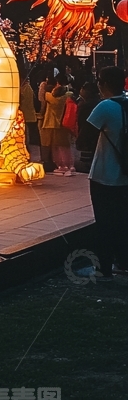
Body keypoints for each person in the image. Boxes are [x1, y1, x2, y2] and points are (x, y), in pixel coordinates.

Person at [77, 66, 128, 282]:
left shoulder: (106, 106)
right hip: (125, 177)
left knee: (105, 223)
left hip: (105, 175)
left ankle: (103, 268)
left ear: (105, 84)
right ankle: (123, 263)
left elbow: (82, 140)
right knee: (123, 220)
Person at [43, 78, 75, 175]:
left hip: (53, 124)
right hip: (64, 124)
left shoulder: (49, 97)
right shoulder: (67, 98)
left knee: (56, 147)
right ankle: (70, 166)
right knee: (66, 146)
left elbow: (45, 95)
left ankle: (61, 166)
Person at [76, 82, 100, 172]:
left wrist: (80, 139)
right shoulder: (99, 102)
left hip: (88, 137)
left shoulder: (86, 106)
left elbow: (83, 124)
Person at [19, 72, 40, 161]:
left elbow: (22, 100)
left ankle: (27, 156)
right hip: (26, 116)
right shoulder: (24, 88)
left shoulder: (26, 89)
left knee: (26, 138)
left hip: (27, 116)